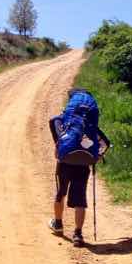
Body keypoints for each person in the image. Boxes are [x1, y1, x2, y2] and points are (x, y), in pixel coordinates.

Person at [48, 89, 110, 247]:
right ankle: (78, 234)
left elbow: (53, 122)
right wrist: (97, 156)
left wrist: (59, 146)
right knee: (80, 197)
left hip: (66, 160)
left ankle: (58, 224)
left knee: (61, 192)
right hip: (83, 162)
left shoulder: (64, 119)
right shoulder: (90, 127)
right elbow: (105, 143)